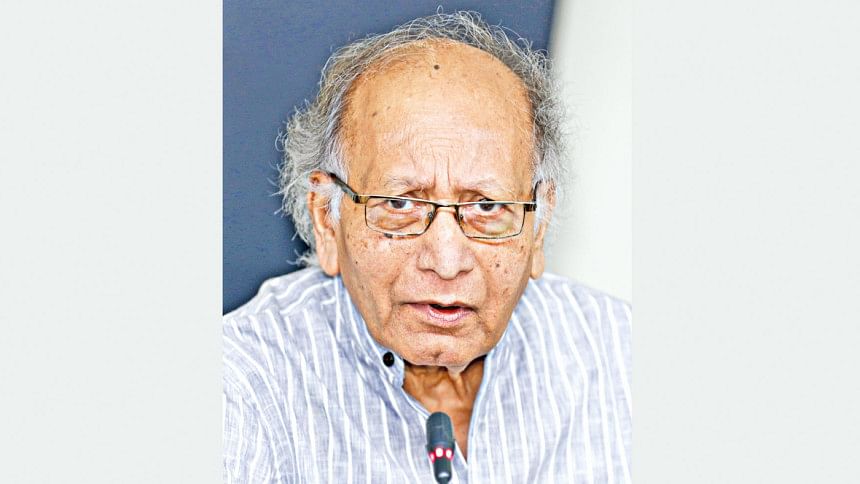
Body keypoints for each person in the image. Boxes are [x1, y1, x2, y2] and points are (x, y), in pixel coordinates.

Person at [223, 11, 631, 483]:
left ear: (537, 227)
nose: (447, 261)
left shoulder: (621, 355)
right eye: (399, 204)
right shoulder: (241, 385)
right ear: (326, 220)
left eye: (486, 206)